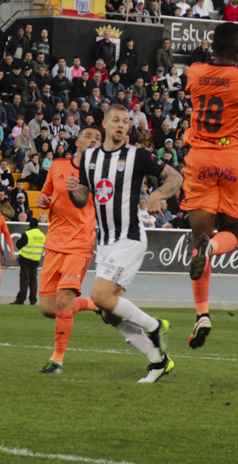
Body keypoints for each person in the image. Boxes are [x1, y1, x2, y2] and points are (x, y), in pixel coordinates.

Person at [66, 105, 182, 382]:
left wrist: (157, 193)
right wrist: (73, 192)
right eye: (115, 120)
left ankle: (155, 326)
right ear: (105, 125)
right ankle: (158, 361)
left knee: (100, 297)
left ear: (129, 128)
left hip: (129, 237)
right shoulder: (89, 157)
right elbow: (83, 198)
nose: (121, 125)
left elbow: (176, 177)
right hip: (104, 242)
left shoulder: (137, 155)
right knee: (110, 313)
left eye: (126, 122)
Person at [182, 22, 238, 349]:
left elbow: (208, 78)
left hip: (199, 157)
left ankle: (202, 314)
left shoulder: (194, 72)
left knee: (198, 236)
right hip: (231, 159)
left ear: (211, 45)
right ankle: (212, 248)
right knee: (233, 232)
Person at [34, 125, 102, 373]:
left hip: (81, 243)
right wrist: (43, 201)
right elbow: (45, 196)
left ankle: (57, 360)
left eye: (98, 138)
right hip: (54, 242)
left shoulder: (101, 174)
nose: (94, 140)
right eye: (89, 136)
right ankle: (95, 304)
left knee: (63, 301)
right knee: (48, 309)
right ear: (78, 142)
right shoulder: (57, 165)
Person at [12, 218, 45, 306]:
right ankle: (33, 300)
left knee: (24, 280)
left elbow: (18, 245)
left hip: (25, 260)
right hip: (35, 260)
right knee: (33, 281)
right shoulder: (42, 235)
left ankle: (20, 299)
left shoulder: (27, 234)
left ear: (30, 224)